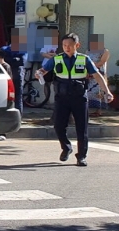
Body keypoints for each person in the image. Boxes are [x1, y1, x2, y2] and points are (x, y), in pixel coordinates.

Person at [37, 32, 114, 166]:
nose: (67, 48)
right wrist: (38, 73)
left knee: (81, 128)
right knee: (59, 126)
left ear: (77, 45)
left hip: (79, 97)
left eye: (70, 45)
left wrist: (107, 92)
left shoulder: (84, 59)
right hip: (62, 97)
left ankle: (81, 157)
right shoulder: (57, 59)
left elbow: (97, 76)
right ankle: (66, 147)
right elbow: (43, 70)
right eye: (64, 45)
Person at [86, 34, 111, 114]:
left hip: (99, 72)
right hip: (90, 73)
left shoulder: (105, 51)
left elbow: (102, 62)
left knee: (99, 91)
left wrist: (92, 66)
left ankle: (99, 110)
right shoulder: (88, 50)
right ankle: (90, 109)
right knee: (90, 91)